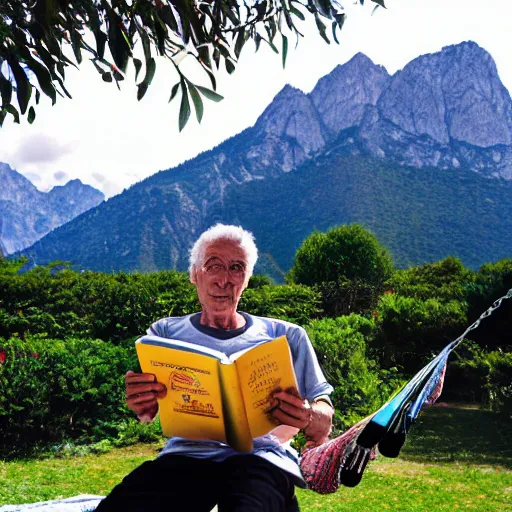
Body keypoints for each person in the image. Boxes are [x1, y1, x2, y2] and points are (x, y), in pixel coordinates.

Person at [96, 224, 334, 512]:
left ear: (246, 279)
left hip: (261, 458)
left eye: (236, 268)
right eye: (213, 266)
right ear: (194, 274)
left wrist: (308, 416)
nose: (224, 280)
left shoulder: (287, 336)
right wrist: (141, 403)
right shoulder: (164, 334)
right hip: (186, 459)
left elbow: (324, 419)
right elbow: (147, 412)